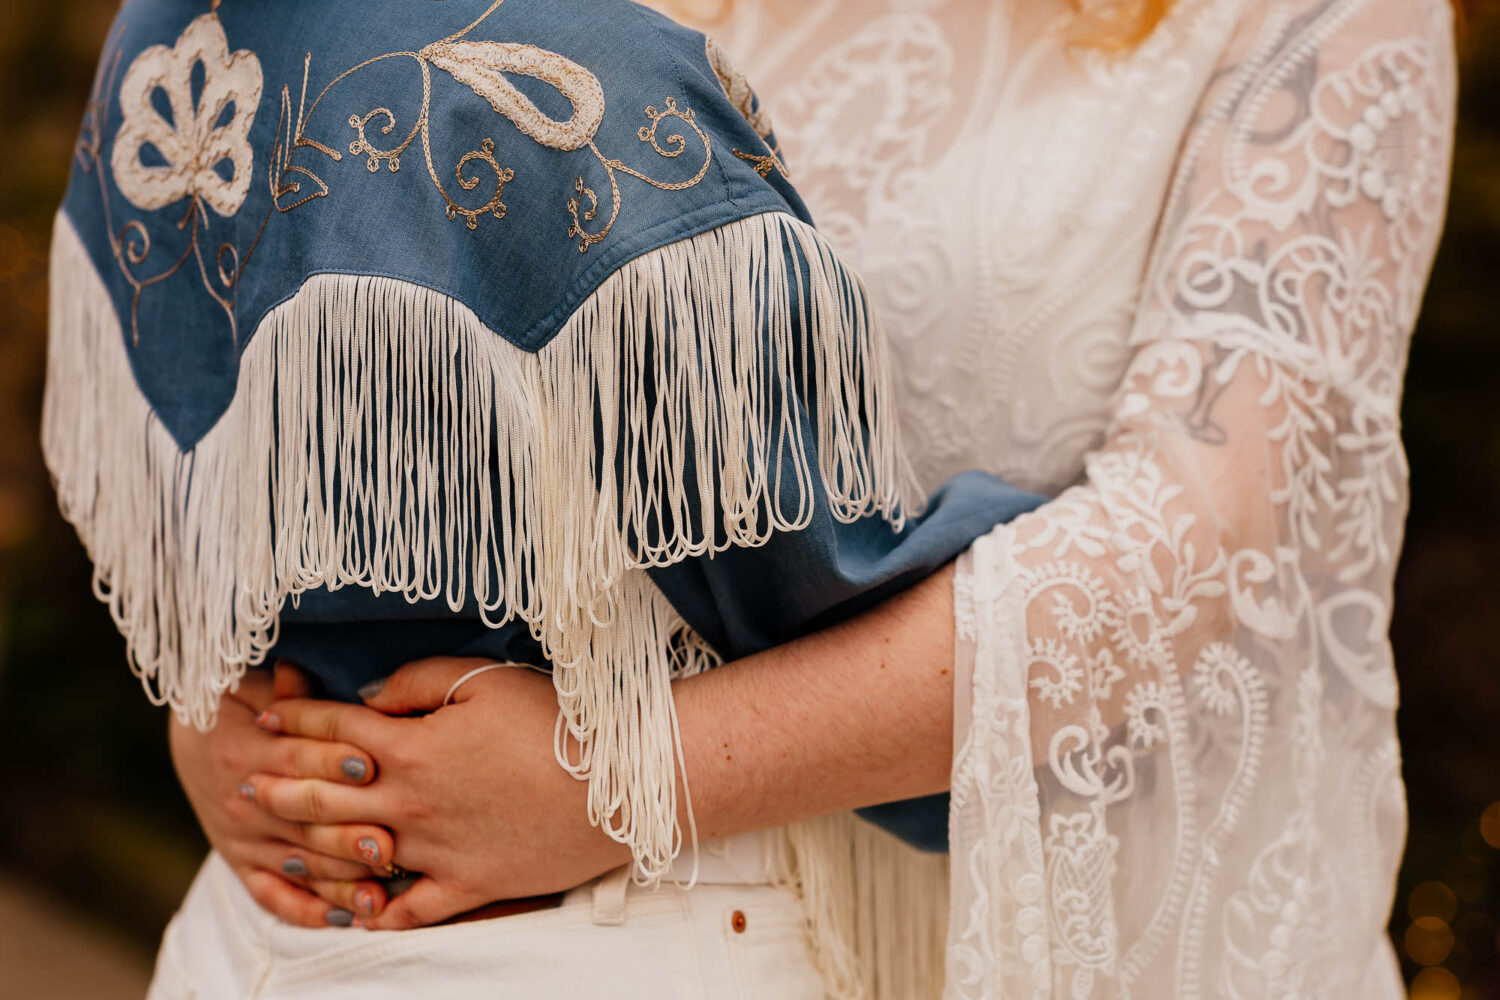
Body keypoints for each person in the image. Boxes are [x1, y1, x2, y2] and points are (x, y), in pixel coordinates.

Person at [45, 0, 1456, 997]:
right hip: (521, 933)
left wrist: (618, 776)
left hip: (1039, 933)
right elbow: (389, 338)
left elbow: (1207, 536)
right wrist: (266, 720)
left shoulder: (1324, 15)